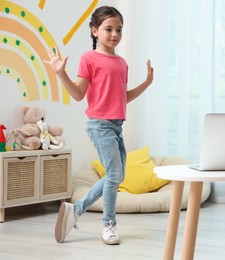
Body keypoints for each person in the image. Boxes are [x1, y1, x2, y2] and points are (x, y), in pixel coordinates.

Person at [44, 6, 154, 245]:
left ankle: (76, 209)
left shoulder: (122, 63)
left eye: (119, 29)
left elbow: (122, 97)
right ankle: (109, 225)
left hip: (116, 126)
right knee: (114, 175)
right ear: (95, 31)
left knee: (118, 175)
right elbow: (78, 94)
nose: (114, 34)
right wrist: (61, 74)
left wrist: (146, 83)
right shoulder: (89, 59)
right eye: (108, 29)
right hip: (99, 125)